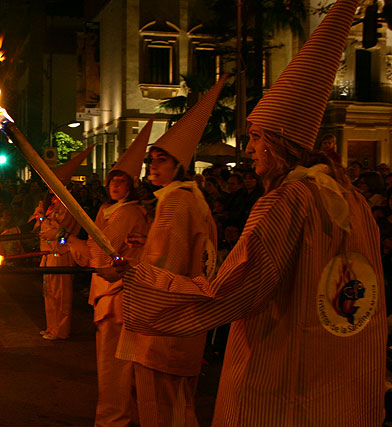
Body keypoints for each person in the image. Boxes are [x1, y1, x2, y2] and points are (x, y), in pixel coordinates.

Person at [110, 1, 385, 424]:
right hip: (338, 383)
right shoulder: (352, 200)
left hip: (282, 384)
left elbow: (230, 292)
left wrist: (137, 278)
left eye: (256, 137)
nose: (250, 149)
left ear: (280, 141)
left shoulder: (286, 201)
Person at [106, 77, 225, 426]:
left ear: (179, 167)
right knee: (179, 409)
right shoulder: (192, 199)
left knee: (161, 412)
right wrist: (145, 248)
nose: (152, 167)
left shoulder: (175, 202)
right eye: (151, 160)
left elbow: (164, 270)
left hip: (163, 330)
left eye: (161, 160)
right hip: (187, 326)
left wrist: (129, 267)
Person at [67, 118, 153, 426]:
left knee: (114, 364)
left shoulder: (130, 213)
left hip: (119, 294)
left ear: (131, 186)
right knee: (118, 363)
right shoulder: (105, 210)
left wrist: (74, 243)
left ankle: (113, 419)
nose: (116, 185)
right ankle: (129, 414)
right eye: (113, 180)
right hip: (105, 292)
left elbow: (104, 253)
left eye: (122, 181)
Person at [31, 143, 95, 340]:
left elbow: (57, 230)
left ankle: (61, 329)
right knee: (49, 293)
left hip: (61, 254)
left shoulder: (68, 206)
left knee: (61, 295)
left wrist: (45, 223)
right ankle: (51, 327)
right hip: (47, 254)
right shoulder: (49, 204)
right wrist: (41, 218)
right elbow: (39, 227)